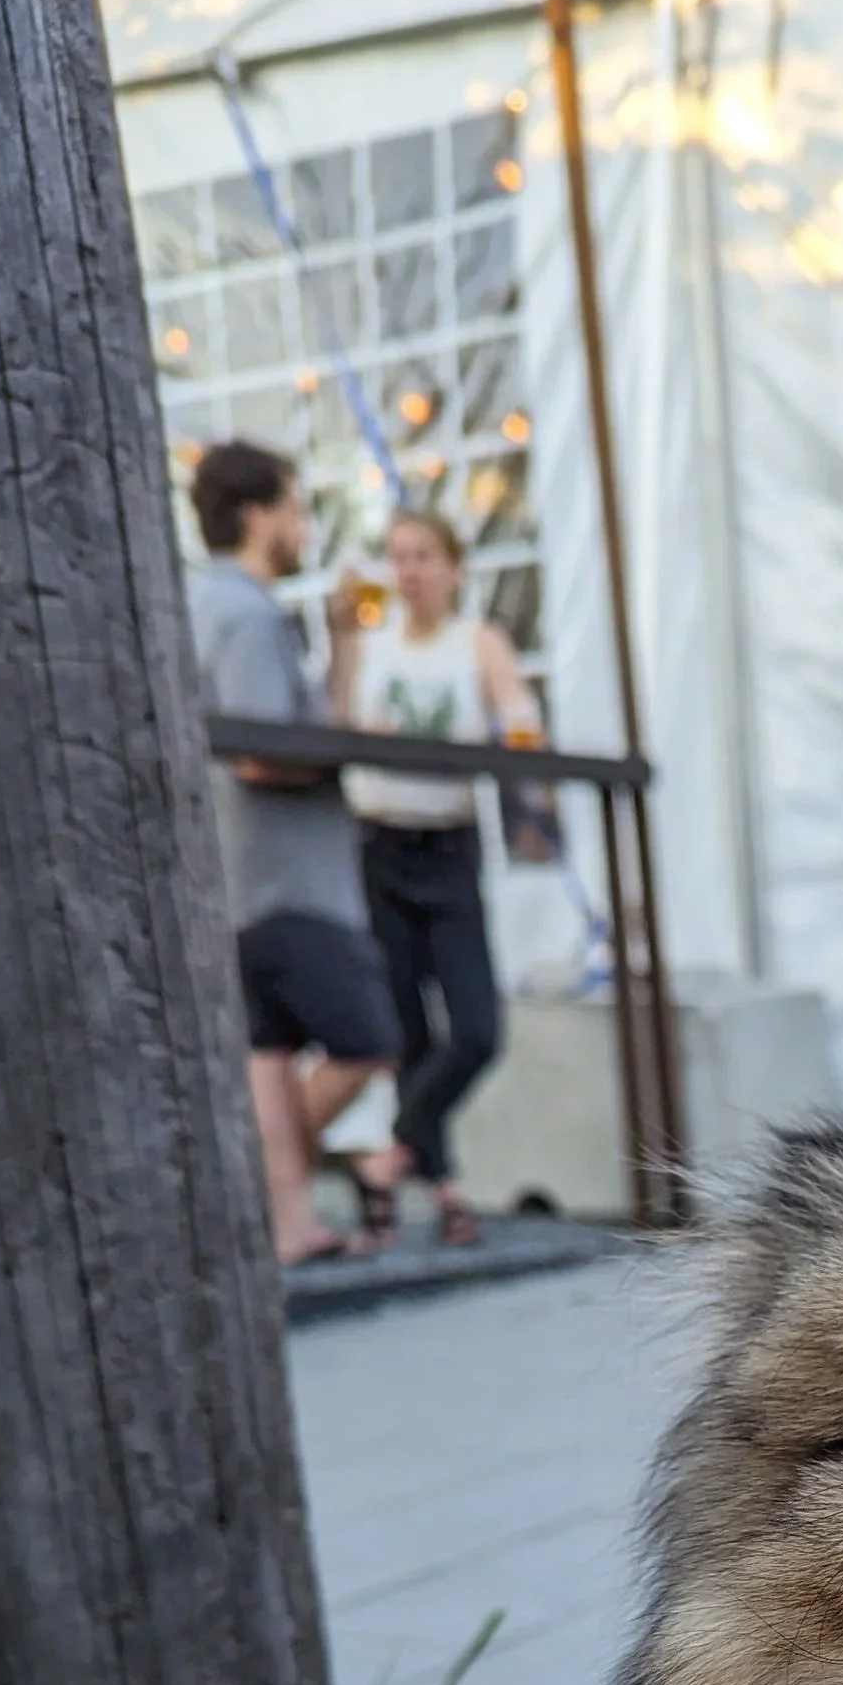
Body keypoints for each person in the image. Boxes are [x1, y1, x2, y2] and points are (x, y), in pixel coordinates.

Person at [188, 443, 398, 1267]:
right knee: (367, 1040)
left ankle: (287, 1222)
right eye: (295, 507)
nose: (304, 526)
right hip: (289, 877)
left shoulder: (217, 605)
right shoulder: (243, 615)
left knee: (270, 1060)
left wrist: (344, 643)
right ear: (255, 515)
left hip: (243, 874)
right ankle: (252, 1196)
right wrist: (347, 748)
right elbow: (263, 753)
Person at [333, 511, 533, 1249]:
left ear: (454, 567)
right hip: (381, 841)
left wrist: (513, 734)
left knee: (475, 1030)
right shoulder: (371, 643)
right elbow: (342, 723)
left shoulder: (476, 643)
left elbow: (519, 717)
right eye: (399, 557)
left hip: (447, 845)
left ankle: (386, 1162)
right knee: (408, 1032)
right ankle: (445, 1190)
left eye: (423, 556)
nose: (410, 570)